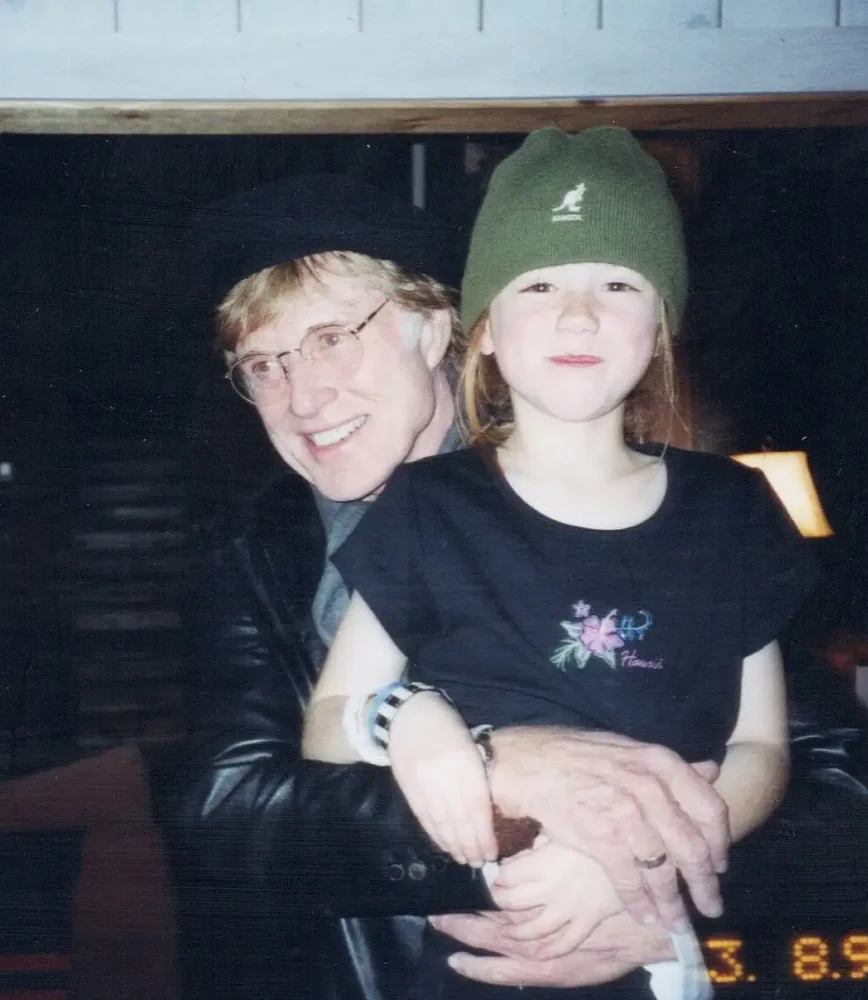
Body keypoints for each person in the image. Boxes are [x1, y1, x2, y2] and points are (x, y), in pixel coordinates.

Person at [172, 165, 868, 1000]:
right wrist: (503, 788)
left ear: (436, 330)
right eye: (263, 365)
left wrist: (657, 895)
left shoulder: (684, 518)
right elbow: (225, 819)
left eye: (331, 338)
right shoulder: (250, 555)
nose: (302, 397)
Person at [300, 126, 817, 1000]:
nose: (579, 315)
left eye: (619, 283)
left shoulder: (733, 508)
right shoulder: (426, 506)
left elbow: (760, 745)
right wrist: (409, 718)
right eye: (539, 284)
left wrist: (643, 861)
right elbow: (327, 724)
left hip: (658, 956)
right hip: (477, 965)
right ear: (484, 331)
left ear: (660, 326)